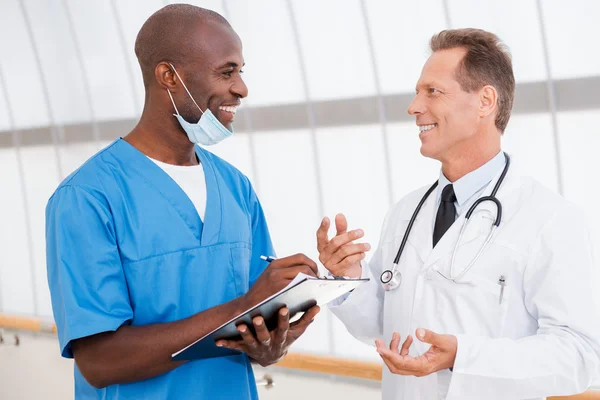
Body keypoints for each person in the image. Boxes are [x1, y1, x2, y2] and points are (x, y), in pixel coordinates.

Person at [45, 4, 319, 399]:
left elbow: (250, 321)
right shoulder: (87, 198)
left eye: (241, 71)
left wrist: (270, 343)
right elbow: (100, 361)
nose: (241, 88)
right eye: (227, 72)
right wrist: (241, 307)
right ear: (169, 76)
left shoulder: (235, 187)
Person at [316, 28, 600, 400]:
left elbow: (580, 355)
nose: (414, 107)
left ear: (485, 101)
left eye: (432, 91)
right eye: (418, 91)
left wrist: (465, 356)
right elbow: (382, 328)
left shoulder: (550, 219)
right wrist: (347, 276)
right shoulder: (406, 213)